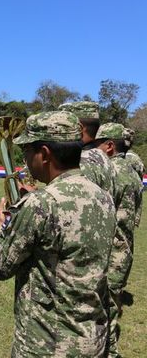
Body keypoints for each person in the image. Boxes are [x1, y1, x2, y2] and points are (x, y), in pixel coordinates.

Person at [0, 111, 116, 357]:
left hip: (47, 344)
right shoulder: (103, 197)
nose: (24, 159)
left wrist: (0, 225)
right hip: (92, 339)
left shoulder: (42, 204)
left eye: (27, 152)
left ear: (44, 154)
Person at [95, 123, 143, 357]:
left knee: (104, 315)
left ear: (110, 146)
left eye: (97, 144)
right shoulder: (132, 171)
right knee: (110, 309)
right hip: (123, 250)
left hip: (110, 253)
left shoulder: (111, 173)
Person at [59, 101, 115, 197]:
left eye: (64, 127)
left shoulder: (82, 162)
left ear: (79, 129)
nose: (59, 132)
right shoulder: (102, 157)